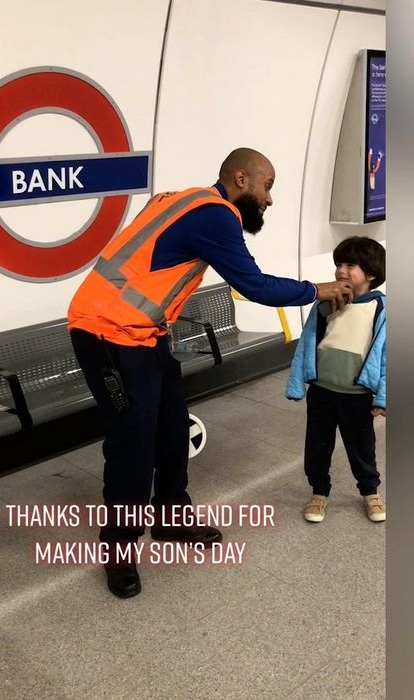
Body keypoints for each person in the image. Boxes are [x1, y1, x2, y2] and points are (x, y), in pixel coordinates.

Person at [66, 147, 355, 598]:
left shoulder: (180, 199)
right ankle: (119, 547)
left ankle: (170, 518)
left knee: (172, 428)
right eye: (267, 187)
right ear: (241, 179)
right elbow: (255, 286)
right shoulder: (216, 215)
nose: (269, 199)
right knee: (133, 445)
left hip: (144, 334)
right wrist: (318, 289)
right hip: (108, 335)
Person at [286, 236, 387, 523]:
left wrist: (383, 396)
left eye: (350, 265)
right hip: (322, 391)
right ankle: (319, 492)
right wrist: (297, 383)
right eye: (338, 264)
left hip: (357, 395)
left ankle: (370, 491)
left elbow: (387, 356)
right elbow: (307, 344)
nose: (341, 270)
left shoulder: (381, 309)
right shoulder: (325, 304)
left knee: (361, 447)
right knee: (317, 446)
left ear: (371, 273)